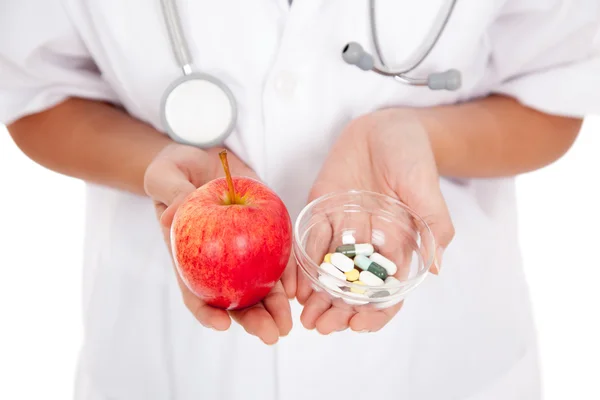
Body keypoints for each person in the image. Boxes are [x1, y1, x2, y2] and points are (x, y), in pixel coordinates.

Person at [2, 0, 599, 399]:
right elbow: (31, 93)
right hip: (166, 364)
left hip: (440, 361)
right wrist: (154, 165)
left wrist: (420, 136)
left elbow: (555, 88)